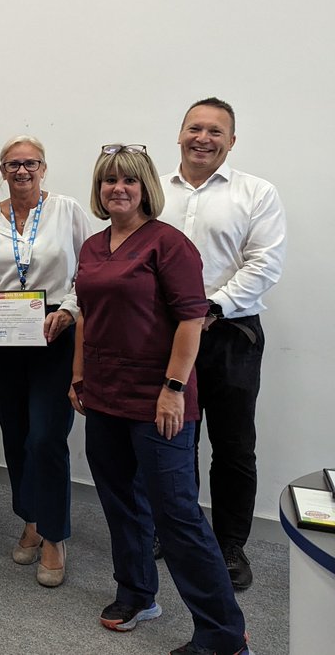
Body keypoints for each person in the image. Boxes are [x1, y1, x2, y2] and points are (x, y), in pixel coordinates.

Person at [72, 144, 250, 655]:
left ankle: (223, 634)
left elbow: (192, 319)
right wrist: (79, 376)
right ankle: (136, 593)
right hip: (103, 394)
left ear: (145, 187)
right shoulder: (92, 245)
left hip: (158, 399)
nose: (117, 189)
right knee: (120, 501)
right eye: (108, 181)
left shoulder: (170, 245)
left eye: (128, 180)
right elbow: (86, 315)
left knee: (176, 513)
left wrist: (173, 390)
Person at [159, 97, 286, 592]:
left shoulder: (256, 192)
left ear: (231, 141)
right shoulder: (155, 192)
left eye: (216, 131)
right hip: (166, 335)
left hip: (230, 332)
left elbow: (264, 264)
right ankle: (173, 531)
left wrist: (209, 308)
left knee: (233, 446)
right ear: (180, 134)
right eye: (195, 128)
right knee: (172, 438)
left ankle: (229, 544)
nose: (203, 138)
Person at [0, 135, 90, 586]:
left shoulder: (67, 210)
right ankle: (31, 520)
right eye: (13, 164)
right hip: (2, 339)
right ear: (1, 170)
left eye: (30, 163)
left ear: (43, 167)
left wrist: (68, 312)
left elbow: (86, 272)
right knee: (15, 436)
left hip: (53, 336)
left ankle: (54, 536)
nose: (22, 171)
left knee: (46, 439)